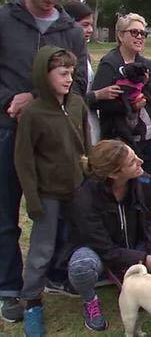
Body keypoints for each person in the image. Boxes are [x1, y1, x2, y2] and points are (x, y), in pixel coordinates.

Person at [0, 0, 87, 324]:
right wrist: (11, 100)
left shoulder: (70, 31)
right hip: (8, 129)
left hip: (55, 139)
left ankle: (55, 274)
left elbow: (77, 83)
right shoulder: (5, 20)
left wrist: (36, 97)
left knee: (59, 212)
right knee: (6, 213)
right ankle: (9, 287)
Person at [64, 139, 151, 331]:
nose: (141, 161)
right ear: (113, 174)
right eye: (133, 162)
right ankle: (90, 299)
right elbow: (105, 249)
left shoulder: (146, 182)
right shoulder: (84, 197)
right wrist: (143, 258)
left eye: (136, 156)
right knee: (81, 268)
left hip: (134, 246)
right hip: (98, 252)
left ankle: (132, 278)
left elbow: (149, 223)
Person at [14, 46, 89, 336]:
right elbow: (24, 160)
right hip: (47, 193)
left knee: (77, 241)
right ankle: (32, 301)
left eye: (71, 73)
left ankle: (79, 286)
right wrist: (33, 199)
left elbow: (88, 146)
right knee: (42, 250)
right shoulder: (33, 113)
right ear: (44, 75)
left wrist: (91, 180)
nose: (69, 78)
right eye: (62, 73)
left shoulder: (77, 104)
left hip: (78, 188)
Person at [91, 13, 151, 177]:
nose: (140, 37)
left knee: (147, 186)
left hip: (149, 138)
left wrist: (144, 85)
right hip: (120, 140)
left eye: (143, 34)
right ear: (120, 35)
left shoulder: (148, 65)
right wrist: (130, 106)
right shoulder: (109, 64)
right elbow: (97, 103)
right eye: (134, 32)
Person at [63, 0, 124, 146]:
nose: (90, 30)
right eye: (85, 25)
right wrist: (97, 95)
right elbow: (67, 100)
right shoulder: (62, 59)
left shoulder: (85, 55)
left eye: (91, 24)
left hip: (90, 120)